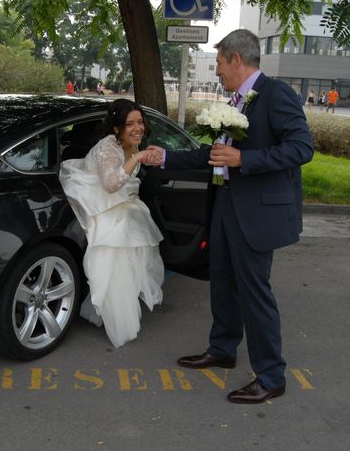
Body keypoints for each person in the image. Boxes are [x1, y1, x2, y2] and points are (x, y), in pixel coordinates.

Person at [147, 29, 314, 404]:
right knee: (222, 282)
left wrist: (245, 160)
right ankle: (222, 349)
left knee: (255, 294)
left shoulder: (275, 95)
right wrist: (167, 158)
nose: (218, 71)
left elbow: (302, 148)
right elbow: (217, 153)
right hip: (224, 206)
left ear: (237, 59)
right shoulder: (235, 102)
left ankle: (271, 376)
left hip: (256, 214)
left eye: (220, 63)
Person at [59, 99, 164, 348]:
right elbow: (110, 184)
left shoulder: (134, 143)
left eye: (140, 122)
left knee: (132, 239)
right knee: (118, 245)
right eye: (130, 124)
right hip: (99, 204)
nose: (138, 128)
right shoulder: (108, 148)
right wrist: (137, 157)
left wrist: (147, 157)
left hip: (120, 203)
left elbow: (131, 171)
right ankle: (119, 319)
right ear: (116, 128)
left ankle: (119, 307)